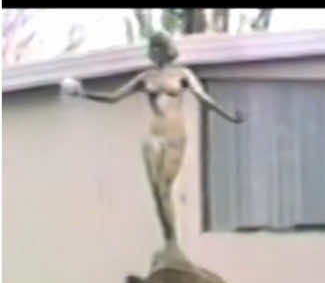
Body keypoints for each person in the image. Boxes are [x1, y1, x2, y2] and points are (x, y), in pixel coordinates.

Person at [61, 31, 243, 248]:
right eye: (152, 48)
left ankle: (173, 241)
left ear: (166, 50)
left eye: (158, 47)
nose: (154, 52)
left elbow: (203, 98)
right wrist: (84, 94)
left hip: (175, 136)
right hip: (153, 136)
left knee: (165, 186)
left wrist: (229, 116)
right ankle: (168, 240)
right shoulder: (146, 77)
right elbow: (114, 97)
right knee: (157, 190)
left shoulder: (182, 73)